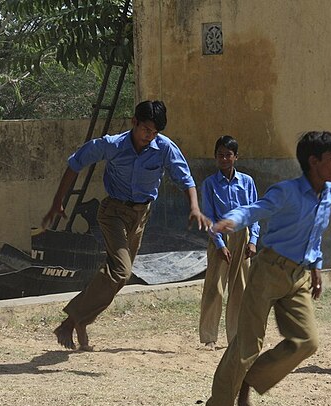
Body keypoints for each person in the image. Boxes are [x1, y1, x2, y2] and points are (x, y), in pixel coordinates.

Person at [199, 131, 331, 406]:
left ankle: (253, 379)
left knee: (307, 342)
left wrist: (316, 267)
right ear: (313, 161)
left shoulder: (330, 193)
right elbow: (254, 209)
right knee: (247, 346)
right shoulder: (287, 192)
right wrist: (230, 222)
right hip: (269, 271)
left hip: (299, 276)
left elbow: (316, 233)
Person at [42, 100, 210, 351]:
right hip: (113, 213)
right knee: (121, 271)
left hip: (141, 216)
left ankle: (79, 322)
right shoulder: (113, 145)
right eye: (145, 130)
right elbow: (75, 163)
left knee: (117, 276)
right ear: (134, 122)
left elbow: (185, 179)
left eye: (154, 133)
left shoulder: (164, 148)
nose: (149, 136)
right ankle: (71, 321)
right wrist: (58, 201)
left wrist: (195, 208)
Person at [199, 136, 260, 350]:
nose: (224, 159)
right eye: (220, 155)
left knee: (240, 289)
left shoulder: (247, 182)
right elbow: (208, 217)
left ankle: (236, 337)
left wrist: (253, 241)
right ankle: (209, 338)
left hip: (242, 237)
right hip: (219, 237)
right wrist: (219, 245)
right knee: (215, 288)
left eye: (228, 155)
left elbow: (254, 213)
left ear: (236, 157)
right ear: (215, 157)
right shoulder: (209, 184)